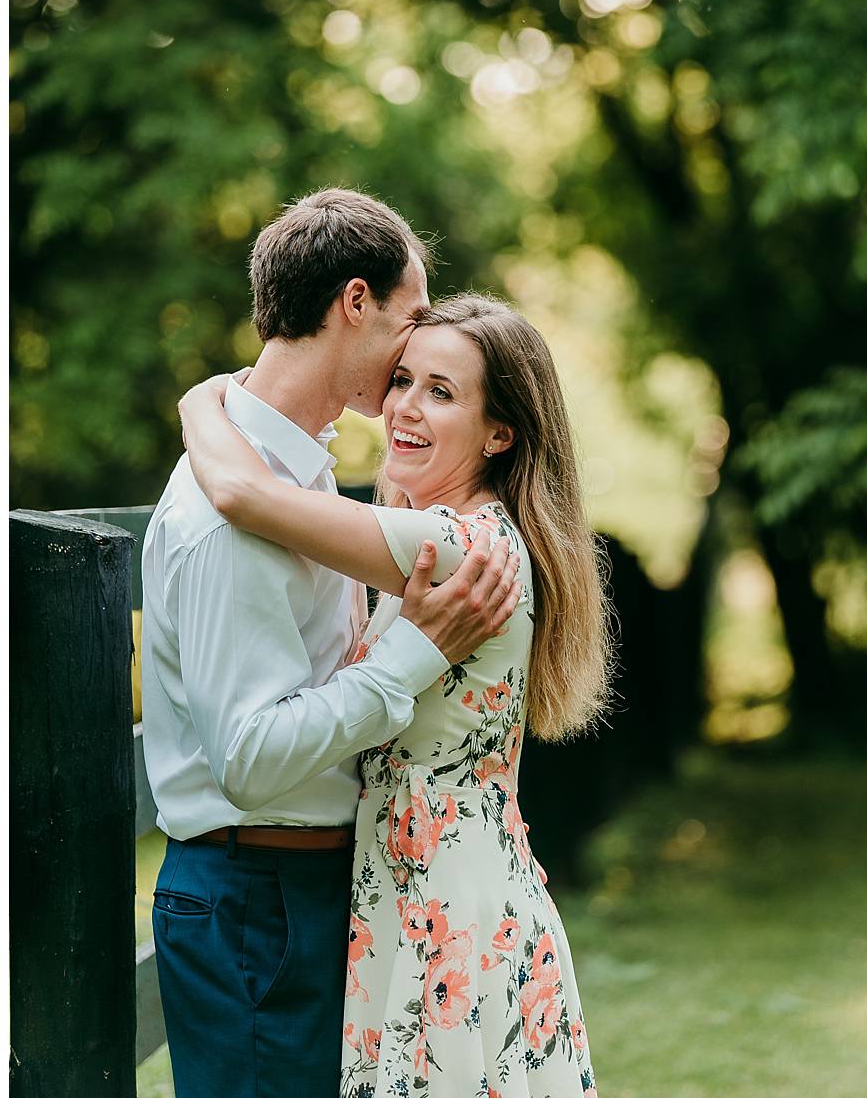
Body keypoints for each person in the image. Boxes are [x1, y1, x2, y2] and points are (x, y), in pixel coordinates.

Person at [178, 291, 613, 1096]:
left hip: (445, 911)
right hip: (427, 888)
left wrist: (202, 402)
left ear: (500, 432)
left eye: (442, 392)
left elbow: (244, 497)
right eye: (403, 379)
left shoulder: (458, 546)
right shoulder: (444, 531)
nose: (404, 408)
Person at [141, 189, 523, 1097]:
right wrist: (408, 657)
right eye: (413, 320)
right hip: (254, 898)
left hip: (311, 891)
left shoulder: (297, 477)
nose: (414, 353)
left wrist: (205, 401)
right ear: (357, 302)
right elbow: (250, 758)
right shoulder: (227, 518)